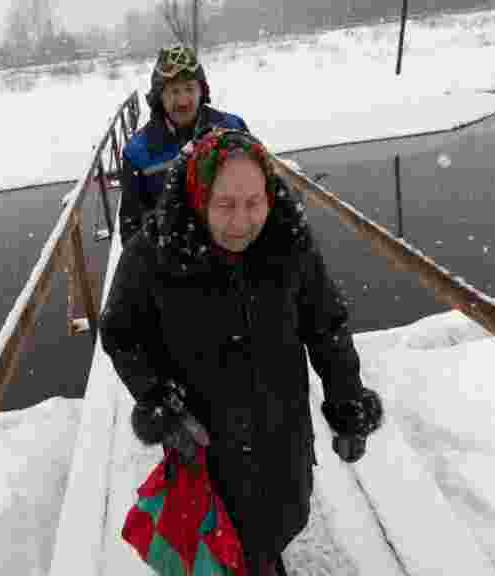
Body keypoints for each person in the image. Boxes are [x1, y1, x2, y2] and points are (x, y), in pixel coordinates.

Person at [100, 128, 384, 576]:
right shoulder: (156, 253)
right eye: (225, 205)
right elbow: (120, 332)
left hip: (282, 431)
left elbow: (325, 323)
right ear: (198, 198)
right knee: (223, 533)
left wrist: (346, 400)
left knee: (278, 519)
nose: (242, 222)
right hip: (207, 441)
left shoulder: (287, 243)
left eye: (254, 203)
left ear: (270, 195)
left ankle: (265, 558)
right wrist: (158, 400)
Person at [118, 43, 249, 246]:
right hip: (171, 264)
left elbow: (258, 192)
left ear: (201, 90)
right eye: (173, 91)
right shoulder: (138, 153)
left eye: (189, 88)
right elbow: (132, 229)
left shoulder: (232, 128)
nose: (182, 101)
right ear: (159, 96)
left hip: (231, 253)